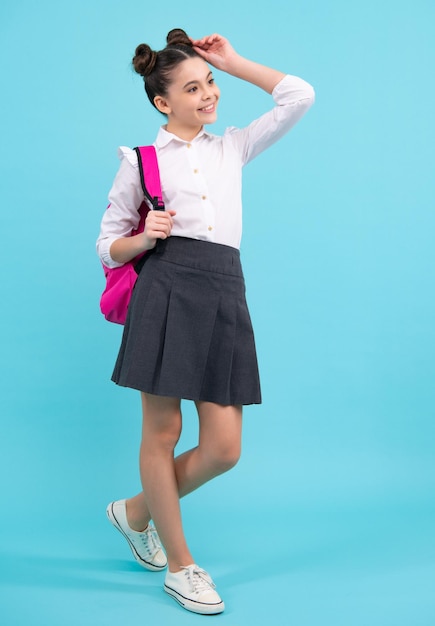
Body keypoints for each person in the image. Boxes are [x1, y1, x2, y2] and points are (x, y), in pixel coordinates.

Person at [97, 28, 314, 615]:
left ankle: (136, 512)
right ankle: (180, 565)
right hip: (165, 289)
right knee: (161, 434)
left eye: (210, 83)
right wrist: (141, 239)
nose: (209, 94)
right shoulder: (140, 163)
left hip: (222, 290)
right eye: (193, 88)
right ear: (162, 102)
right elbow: (106, 246)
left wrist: (233, 61)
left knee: (223, 447)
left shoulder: (232, 147)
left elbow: (299, 96)